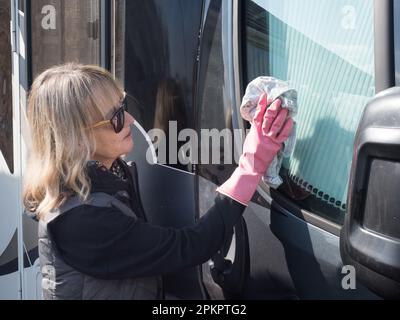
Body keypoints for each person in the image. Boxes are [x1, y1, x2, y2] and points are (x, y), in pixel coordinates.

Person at [23, 63, 293, 300]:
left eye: (123, 106)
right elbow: (189, 247)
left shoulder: (105, 176)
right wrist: (252, 164)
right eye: (115, 118)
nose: (129, 119)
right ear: (76, 138)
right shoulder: (82, 219)